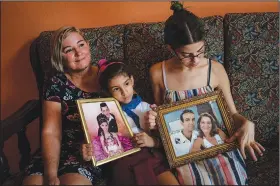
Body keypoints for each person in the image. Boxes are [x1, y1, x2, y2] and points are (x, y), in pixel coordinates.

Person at [147, 1, 265, 185]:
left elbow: (232, 114)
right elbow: (161, 120)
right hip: (184, 152)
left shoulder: (215, 69)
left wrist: (247, 123)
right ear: (171, 49)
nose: (195, 60)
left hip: (219, 147)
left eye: (200, 51)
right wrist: (153, 121)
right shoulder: (157, 72)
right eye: (187, 55)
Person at [22, 26, 104, 185]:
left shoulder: (107, 75)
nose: (78, 52)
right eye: (69, 50)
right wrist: (51, 175)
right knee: (33, 183)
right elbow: (51, 131)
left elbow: (127, 112)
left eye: (81, 45)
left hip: (89, 152)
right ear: (60, 56)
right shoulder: (56, 83)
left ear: (88, 44)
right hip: (56, 150)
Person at [82, 59, 179, 185]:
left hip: (152, 156)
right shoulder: (104, 116)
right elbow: (99, 144)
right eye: (116, 89)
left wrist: (153, 141)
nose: (124, 92)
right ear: (108, 92)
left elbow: (170, 141)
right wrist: (90, 153)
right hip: (123, 162)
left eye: (126, 84)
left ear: (132, 80)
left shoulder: (148, 108)